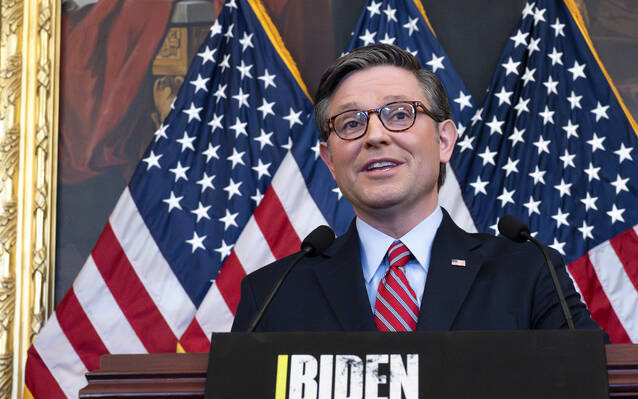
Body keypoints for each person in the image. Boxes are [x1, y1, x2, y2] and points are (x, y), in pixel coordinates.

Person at [231, 44, 597, 333]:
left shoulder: (528, 272)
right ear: (329, 160)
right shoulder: (273, 294)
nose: (375, 136)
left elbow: (591, 394)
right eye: (351, 122)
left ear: (444, 141)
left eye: (400, 114)